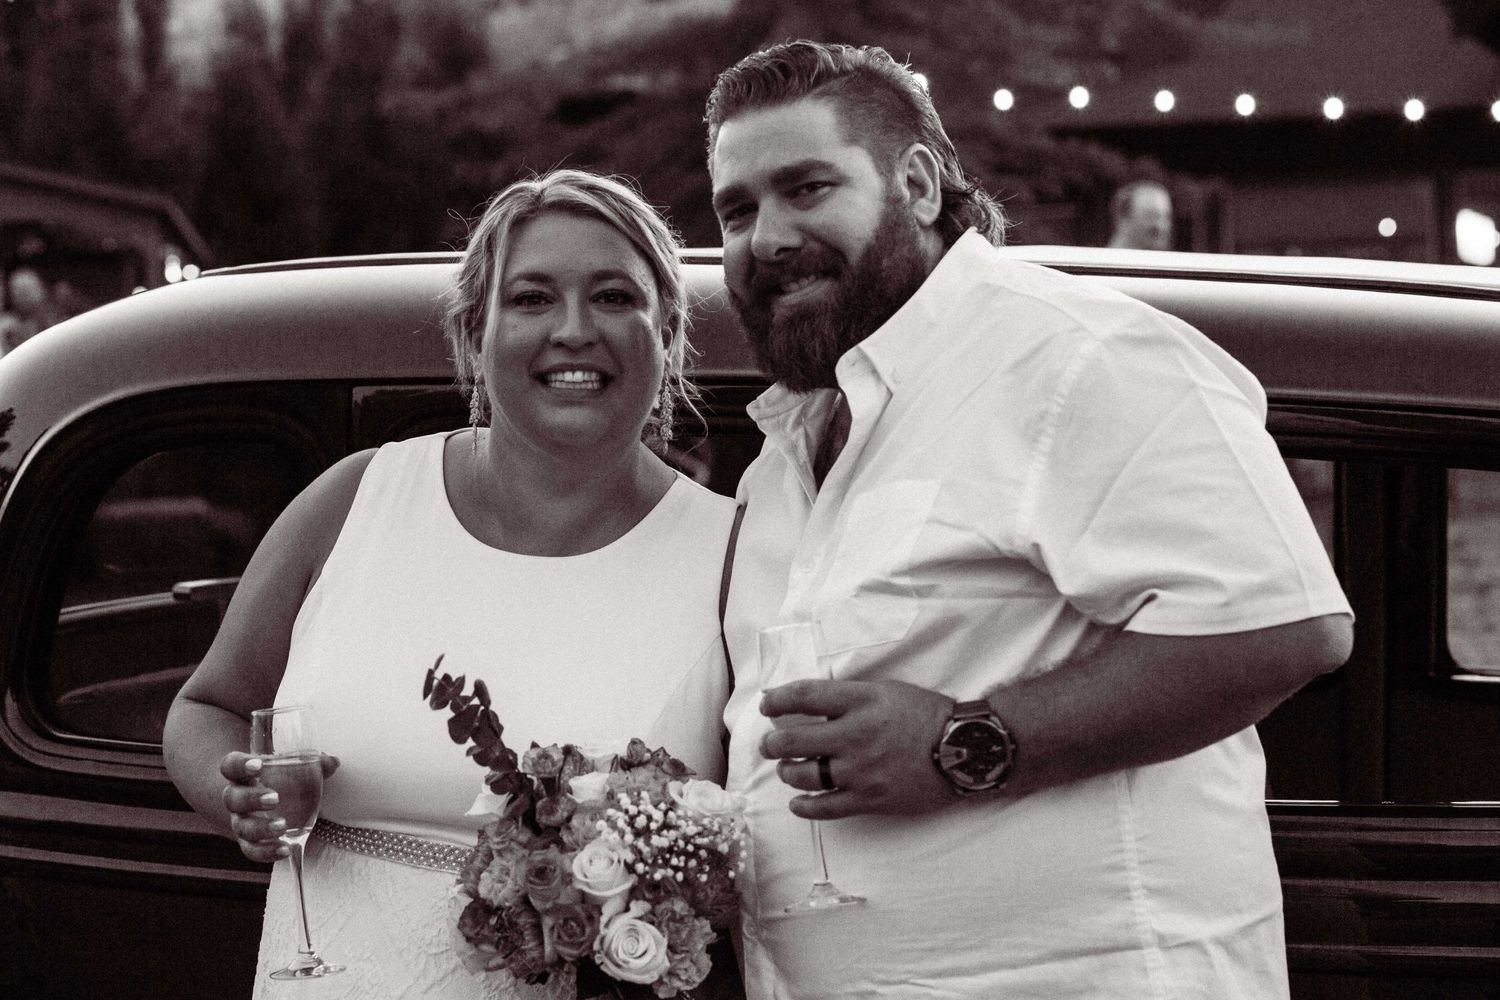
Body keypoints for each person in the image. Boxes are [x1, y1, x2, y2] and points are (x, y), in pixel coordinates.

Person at [705, 40, 1353, 999]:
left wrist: (963, 743)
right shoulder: (787, 447)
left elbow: (1284, 625)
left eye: (806, 188)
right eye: (736, 209)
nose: (766, 237)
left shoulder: (1075, 355)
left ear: (916, 184)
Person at [163, 169, 743, 999]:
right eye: (532, 299)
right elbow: (206, 707)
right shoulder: (354, 498)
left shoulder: (733, 553)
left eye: (615, 297)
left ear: (670, 332)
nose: (574, 330)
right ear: (475, 334)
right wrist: (242, 799)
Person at [0, 267, 59, 353]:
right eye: (19, 291)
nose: (23, 296)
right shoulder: (8, 326)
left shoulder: (54, 318)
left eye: (28, 290)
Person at [1107, 178, 1174, 250]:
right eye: (1150, 216)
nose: (1160, 226)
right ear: (1123, 220)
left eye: (1167, 217)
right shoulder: (1103, 257)